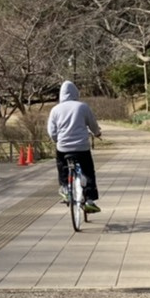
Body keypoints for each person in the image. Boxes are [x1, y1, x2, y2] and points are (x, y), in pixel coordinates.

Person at [47, 79, 102, 214]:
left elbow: (51, 131)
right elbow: (92, 124)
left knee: (62, 166)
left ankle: (65, 188)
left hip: (63, 147)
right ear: (76, 93)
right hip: (82, 147)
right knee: (88, 171)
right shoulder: (82, 107)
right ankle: (89, 200)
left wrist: (56, 139)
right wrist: (97, 133)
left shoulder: (55, 110)